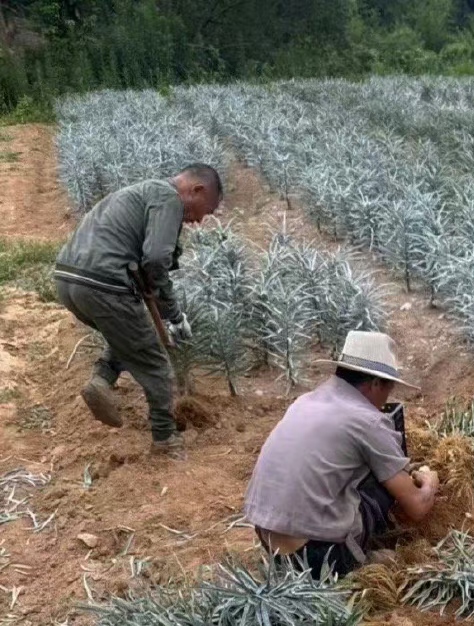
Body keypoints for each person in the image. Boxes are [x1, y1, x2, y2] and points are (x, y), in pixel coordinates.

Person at [54, 165, 223, 457]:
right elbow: (157, 258)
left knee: (131, 337)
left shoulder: (141, 192)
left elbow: (144, 262)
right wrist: (174, 314)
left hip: (68, 280)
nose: (198, 220)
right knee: (156, 365)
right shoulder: (168, 198)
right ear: (196, 190)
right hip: (103, 285)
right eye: (203, 211)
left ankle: (101, 380)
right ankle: (165, 439)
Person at [244, 331, 439, 577]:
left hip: (269, 540)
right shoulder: (367, 420)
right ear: (376, 383)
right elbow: (418, 507)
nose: (387, 398)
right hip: (316, 557)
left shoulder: (305, 401)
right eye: (388, 388)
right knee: (380, 483)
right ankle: (355, 562)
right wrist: (430, 481)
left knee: (350, 467)